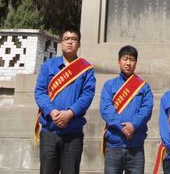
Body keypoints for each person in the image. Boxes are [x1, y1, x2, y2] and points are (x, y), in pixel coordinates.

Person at [34, 26, 96, 174]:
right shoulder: (48, 66)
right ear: (61, 42)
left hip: (73, 133)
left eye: (74, 39)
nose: (70, 42)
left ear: (79, 44)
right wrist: (52, 111)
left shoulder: (86, 69)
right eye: (66, 39)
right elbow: (40, 92)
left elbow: (87, 95)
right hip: (49, 130)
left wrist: (70, 113)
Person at [100, 45, 154, 174]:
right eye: (125, 59)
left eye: (132, 59)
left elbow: (146, 110)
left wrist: (133, 125)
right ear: (119, 61)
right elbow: (106, 109)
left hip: (136, 147)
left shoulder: (144, 87)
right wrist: (123, 127)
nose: (128, 63)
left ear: (136, 62)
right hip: (114, 146)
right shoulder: (109, 85)